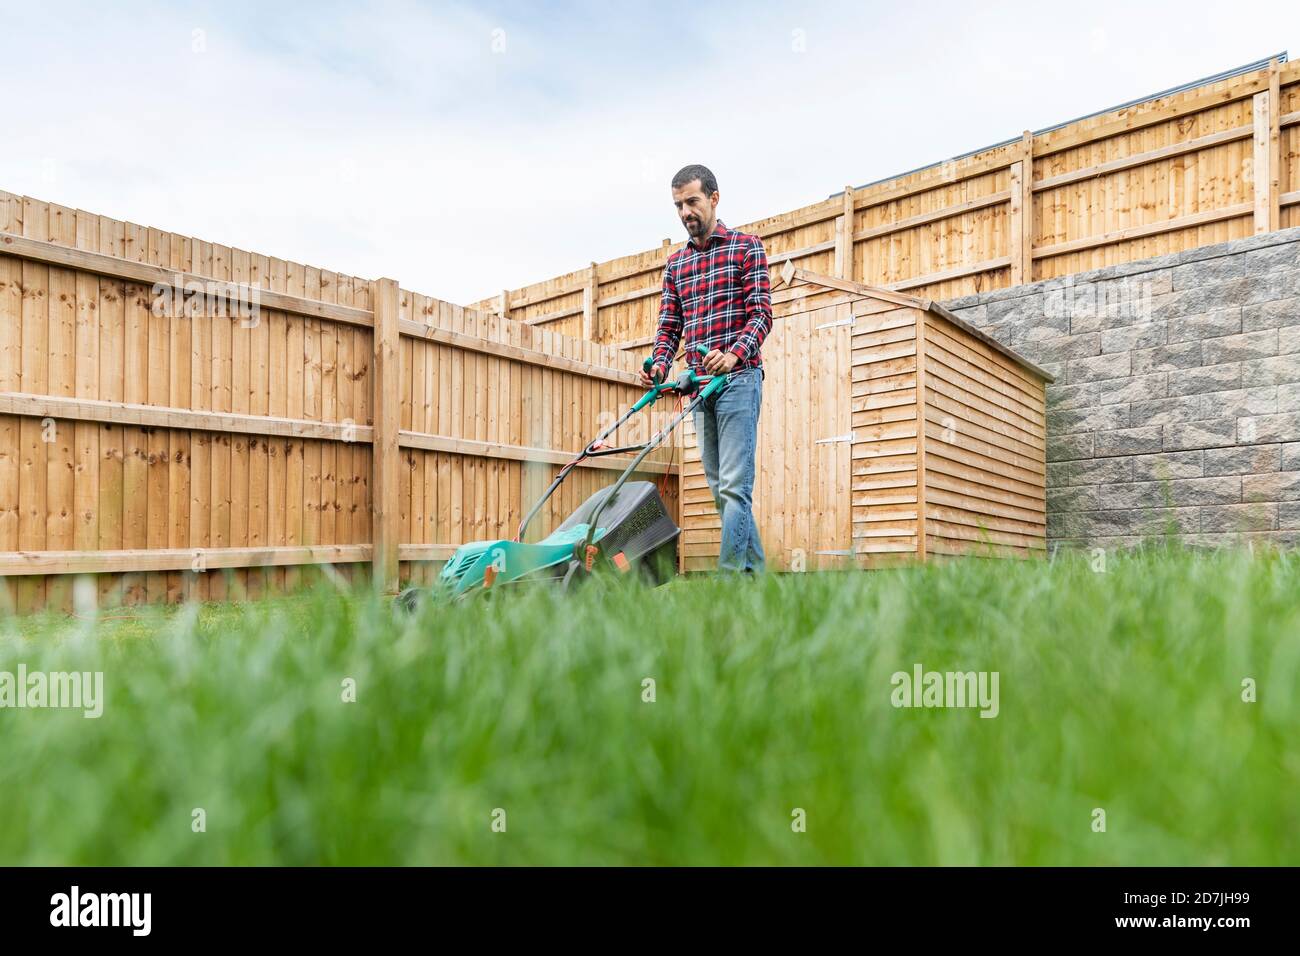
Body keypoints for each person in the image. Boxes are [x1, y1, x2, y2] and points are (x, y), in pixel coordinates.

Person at [641, 164, 771, 573]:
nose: (685, 212)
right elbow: (669, 328)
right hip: (699, 388)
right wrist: (660, 365)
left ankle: (731, 580)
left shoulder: (746, 247)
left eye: (692, 201)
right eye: (678, 205)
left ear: (714, 198)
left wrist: (732, 354)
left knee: (734, 486)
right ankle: (757, 578)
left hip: (738, 380)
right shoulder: (676, 265)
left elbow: (762, 315)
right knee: (720, 488)